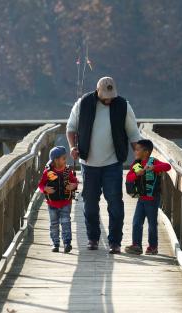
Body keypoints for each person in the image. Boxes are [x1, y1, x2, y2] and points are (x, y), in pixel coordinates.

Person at [66, 77, 141, 254]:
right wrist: (72, 147)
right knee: (90, 203)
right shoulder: (82, 104)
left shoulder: (123, 105)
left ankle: (115, 241)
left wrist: (139, 161)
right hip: (88, 163)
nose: (109, 99)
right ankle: (93, 238)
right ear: (97, 91)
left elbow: (134, 135)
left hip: (113, 163)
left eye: (111, 96)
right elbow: (70, 128)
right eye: (105, 96)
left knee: (115, 202)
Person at [125, 140, 171, 255]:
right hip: (141, 199)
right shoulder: (136, 164)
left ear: (146, 152)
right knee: (136, 222)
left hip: (153, 200)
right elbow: (129, 178)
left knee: (152, 224)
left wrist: (154, 168)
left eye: (137, 149)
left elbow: (167, 166)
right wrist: (137, 174)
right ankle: (136, 245)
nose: (135, 151)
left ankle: (153, 247)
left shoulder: (153, 161)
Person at [38, 146, 78, 253]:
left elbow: (75, 181)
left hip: (65, 202)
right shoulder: (47, 172)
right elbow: (41, 185)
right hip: (52, 203)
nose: (66, 160)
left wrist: (73, 186)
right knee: (54, 224)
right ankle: (55, 243)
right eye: (63, 158)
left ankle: (67, 243)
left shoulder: (68, 171)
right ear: (56, 160)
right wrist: (45, 189)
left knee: (66, 221)